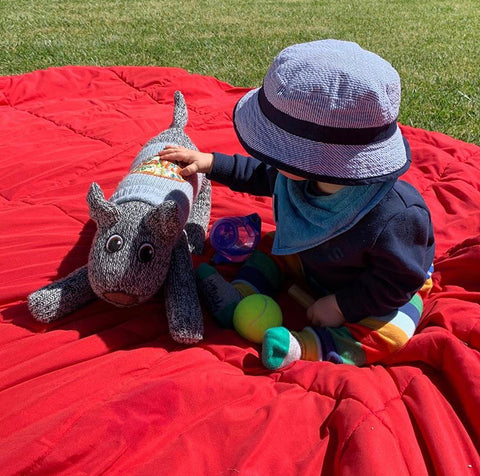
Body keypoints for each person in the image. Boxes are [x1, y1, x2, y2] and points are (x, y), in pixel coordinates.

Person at [159, 39, 435, 369]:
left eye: (277, 148)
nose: (267, 155)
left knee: (393, 331)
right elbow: (259, 174)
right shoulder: (300, 175)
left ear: (316, 160)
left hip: (374, 288)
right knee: (275, 248)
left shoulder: (397, 216)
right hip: (311, 261)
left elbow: (399, 281)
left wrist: (341, 306)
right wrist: (210, 162)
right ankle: (241, 295)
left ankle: (305, 347)